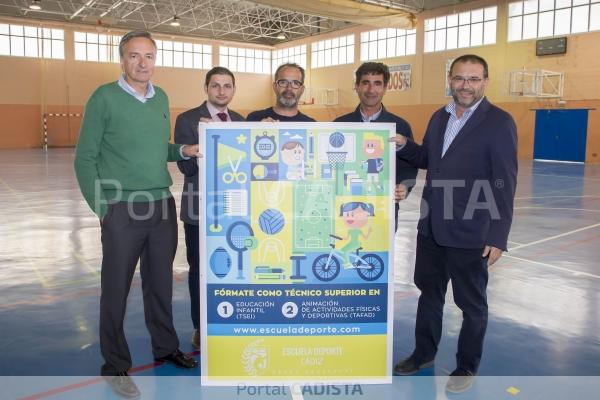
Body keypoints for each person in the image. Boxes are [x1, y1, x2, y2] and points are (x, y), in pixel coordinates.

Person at [74, 31, 200, 399]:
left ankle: (165, 347)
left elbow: (155, 147)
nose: (143, 63)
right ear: (122, 59)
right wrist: (103, 209)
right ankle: (114, 364)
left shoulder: (160, 97)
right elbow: (85, 158)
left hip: (161, 204)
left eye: (149, 56)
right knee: (115, 289)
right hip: (121, 209)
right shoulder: (104, 98)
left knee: (160, 285)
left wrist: (183, 150)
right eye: (134, 56)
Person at [390, 54, 518, 393]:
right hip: (432, 227)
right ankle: (423, 354)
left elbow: (505, 180)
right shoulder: (439, 116)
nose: (466, 85)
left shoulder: (499, 122)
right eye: (460, 78)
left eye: (473, 79)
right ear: (450, 79)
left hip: (471, 231)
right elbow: (430, 160)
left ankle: (466, 366)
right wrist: (405, 146)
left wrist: (498, 233)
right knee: (429, 295)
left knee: (471, 305)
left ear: (485, 82)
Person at [174, 66, 244, 350]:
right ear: (206, 88)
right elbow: (186, 166)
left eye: (227, 86)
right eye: (215, 85)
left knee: (236, 269)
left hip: (235, 210)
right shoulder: (188, 120)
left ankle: (231, 322)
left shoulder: (241, 121)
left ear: (233, 90)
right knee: (199, 270)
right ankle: (200, 328)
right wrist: (208, 137)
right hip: (198, 211)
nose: (221, 91)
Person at [334, 62, 417, 230]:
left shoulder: (399, 126)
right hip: (346, 207)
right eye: (365, 83)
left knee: (380, 256)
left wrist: (404, 185)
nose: (371, 90)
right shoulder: (339, 125)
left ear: (385, 87)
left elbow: (410, 164)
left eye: (377, 83)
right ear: (356, 86)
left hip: (383, 208)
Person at [246, 63, 315, 122]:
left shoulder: (312, 126)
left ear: (302, 89)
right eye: (283, 82)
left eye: (295, 83)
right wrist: (257, 129)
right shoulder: (254, 119)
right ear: (275, 86)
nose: (289, 88)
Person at [338, 202, 374, 267]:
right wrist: (340, 237)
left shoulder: (358, 230)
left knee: (346, 252)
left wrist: (369, 232)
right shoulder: (350, 230)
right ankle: (346, 263)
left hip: (356, 244)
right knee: (342, 250)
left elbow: (365, 238)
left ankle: (348, 264)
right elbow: (346, 238)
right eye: (348, 215)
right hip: (351, 243)